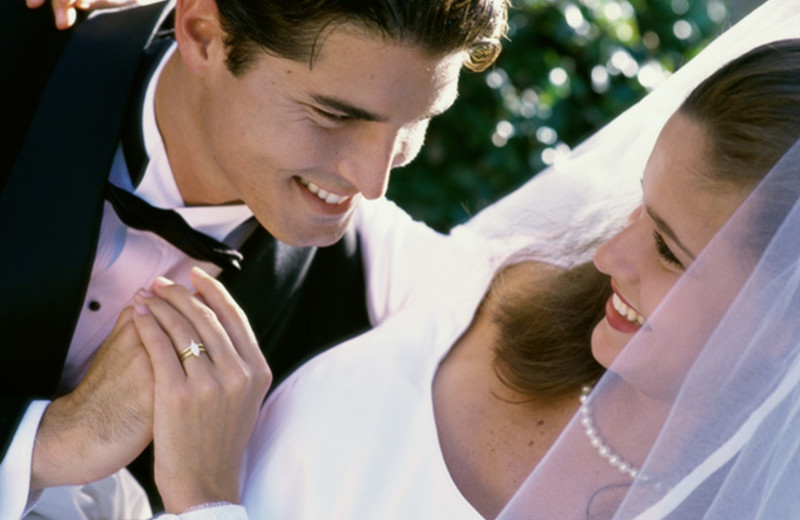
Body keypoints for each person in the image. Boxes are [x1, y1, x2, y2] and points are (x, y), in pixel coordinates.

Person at [132, 4, 800, 519]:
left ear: (784, 321)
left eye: (669, 251)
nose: (607, 256)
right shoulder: (487, 284)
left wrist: (203, 502)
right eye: (640, 208)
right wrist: (129, 41)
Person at [0, 0, 509, 517]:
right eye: (334, 115)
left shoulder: (368, 303)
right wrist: (47, 445)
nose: (373, 181)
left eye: (418, 121)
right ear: (202, 36)